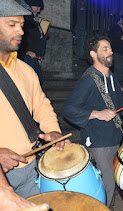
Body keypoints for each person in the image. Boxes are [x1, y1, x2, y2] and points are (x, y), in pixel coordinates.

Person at [62, 35, 123, 210]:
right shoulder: (88, 80)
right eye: (104, 49)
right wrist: (97, 114)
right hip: (97, 141)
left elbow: (121, 106)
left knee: (108, 184)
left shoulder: (111, 77)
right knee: (107, 186)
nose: (110, 51)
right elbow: (68, 109)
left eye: (110, 48)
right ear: (93, 54)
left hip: (114, 138)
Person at [0, 0, 70, 209]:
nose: (21, 31)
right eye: (12, 24)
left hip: (29, 170)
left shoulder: (26, 71)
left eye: (22, 24)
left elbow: (41, 106)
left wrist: (53, 131)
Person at [19, 0, 46, 85]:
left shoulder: (33, 18)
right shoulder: (24, 17)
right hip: (27, 56)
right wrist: (25, 51)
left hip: (34, 56)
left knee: (37, 81)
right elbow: (20, 36)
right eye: (37, 7)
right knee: (30, 82)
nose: (38, 10)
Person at [108, 13, 123, 82]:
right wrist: (120, 38)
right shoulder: (115, 28)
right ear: (121, 20)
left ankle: (117, 85)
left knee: (122, 69)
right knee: (117, 69)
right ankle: (115, 85)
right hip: (117, 51)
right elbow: (111, 39)